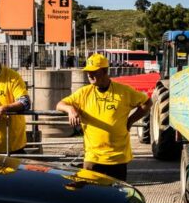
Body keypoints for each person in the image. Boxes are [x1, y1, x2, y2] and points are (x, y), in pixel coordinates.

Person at [56, 53, 151, 181]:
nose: (89, 75)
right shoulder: (84, 92)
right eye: (88, 71)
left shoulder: (124, 91)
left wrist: (130, 121)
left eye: (94, 71)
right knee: (92, 195)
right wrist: (70, 109)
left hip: (118, 158)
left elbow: (147, 103)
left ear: (105, 71)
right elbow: (60, 104)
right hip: (93, 158)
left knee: (117, 196)